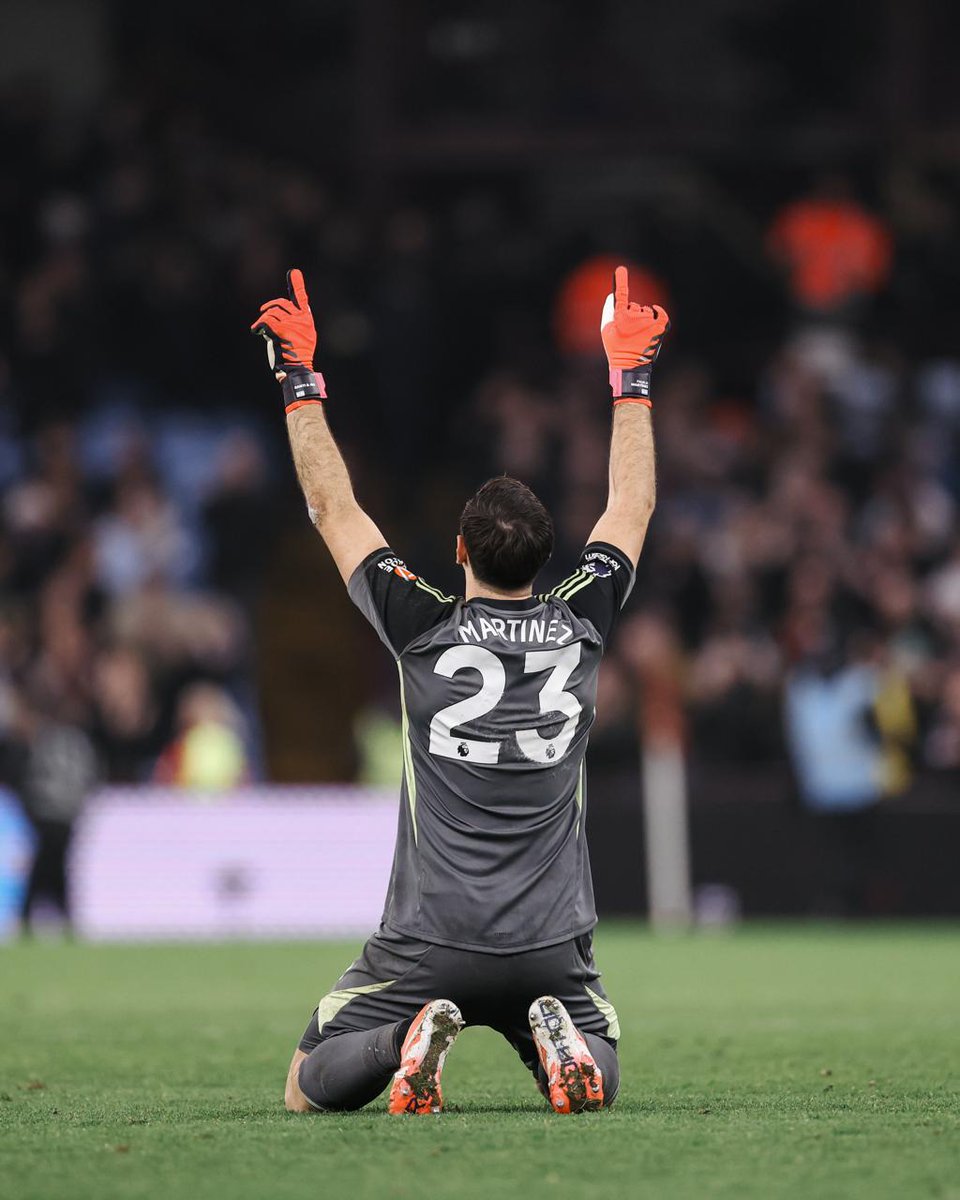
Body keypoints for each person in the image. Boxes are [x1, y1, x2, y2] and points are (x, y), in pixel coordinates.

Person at [251, 266, 669, 1115]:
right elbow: (632, 506)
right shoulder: (580, 623)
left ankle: (400, 1040)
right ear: (546, 557)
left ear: (459, 551)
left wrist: (300, 380)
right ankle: (559, 1040)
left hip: (429, 940)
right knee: (601, 1073)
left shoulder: (421, 628)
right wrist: (632, 380)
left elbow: (333, 509)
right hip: (549, 943)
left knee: (306, 1087)